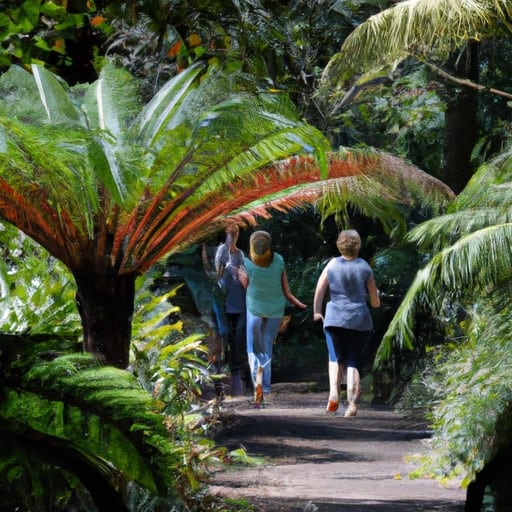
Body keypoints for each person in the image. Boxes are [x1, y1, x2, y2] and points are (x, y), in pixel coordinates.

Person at [313, 229, 380, 417]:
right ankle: (351, 405)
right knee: (352, 361)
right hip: (359, 320)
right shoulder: (365, 267)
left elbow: (320, 289)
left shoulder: (332, 265)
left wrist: (317, 312)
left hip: (334, 319)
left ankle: (334, 393)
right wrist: (376, 300)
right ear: (357, 245)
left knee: (334, 357)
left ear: (339, 245)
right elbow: (374, 301)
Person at [238, 230, 307, 407]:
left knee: (253, 349)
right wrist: (298, 303)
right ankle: (266, 387)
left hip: (254, 310)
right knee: (266, 345)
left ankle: (257, 385)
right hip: (276, 310)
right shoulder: (279, 260)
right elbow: (286, 290)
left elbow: (245, 287)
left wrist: (241, 277)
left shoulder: (246, 263)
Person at [214, 224, 247, 396]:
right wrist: (227, 270)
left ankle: (236, 370)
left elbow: (244, 272)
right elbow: (217, 274)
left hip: (239, 300)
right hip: (226, 300)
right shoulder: (221, 251)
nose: (232, 237)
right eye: (230, 234)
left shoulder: (240, 253)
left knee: (238, 336)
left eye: (234, 234)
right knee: (226, 334)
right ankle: (225, 369)